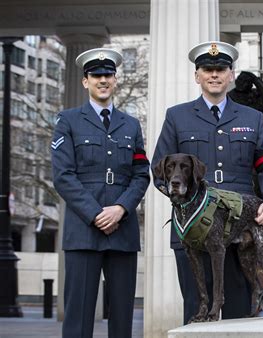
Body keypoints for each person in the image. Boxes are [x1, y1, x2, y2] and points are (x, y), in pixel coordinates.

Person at [151, 41, 263, 324]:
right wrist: (187, 201)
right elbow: (158, 171)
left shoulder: (252, 117)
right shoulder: (177, 116)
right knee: (197, 312)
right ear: (197, 75)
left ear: (231, 74)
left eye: (221, 69)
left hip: (238, 228)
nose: (214, 74)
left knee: (239, 316)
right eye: (207, 69)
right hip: (193, 229)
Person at [51, 48, 150, 338]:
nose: (103, 80)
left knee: (122, 321)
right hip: (83, 231)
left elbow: (141, 173)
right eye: (96, 75)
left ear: (115, 80)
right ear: (85, 81)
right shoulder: (67, 121)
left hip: (123, 229)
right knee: (78, 318)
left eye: (108, 75)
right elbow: (63, 176)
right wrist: (96, 214)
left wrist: (120, 209)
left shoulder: (131, 125)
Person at [228, 71, 263, 155]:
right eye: (240, 80)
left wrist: (255, 79)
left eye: (245, 81)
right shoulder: (230, 97)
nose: (241, 83)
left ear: (250, 84)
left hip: (262, 135)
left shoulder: (256, 94)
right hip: (242, 138)